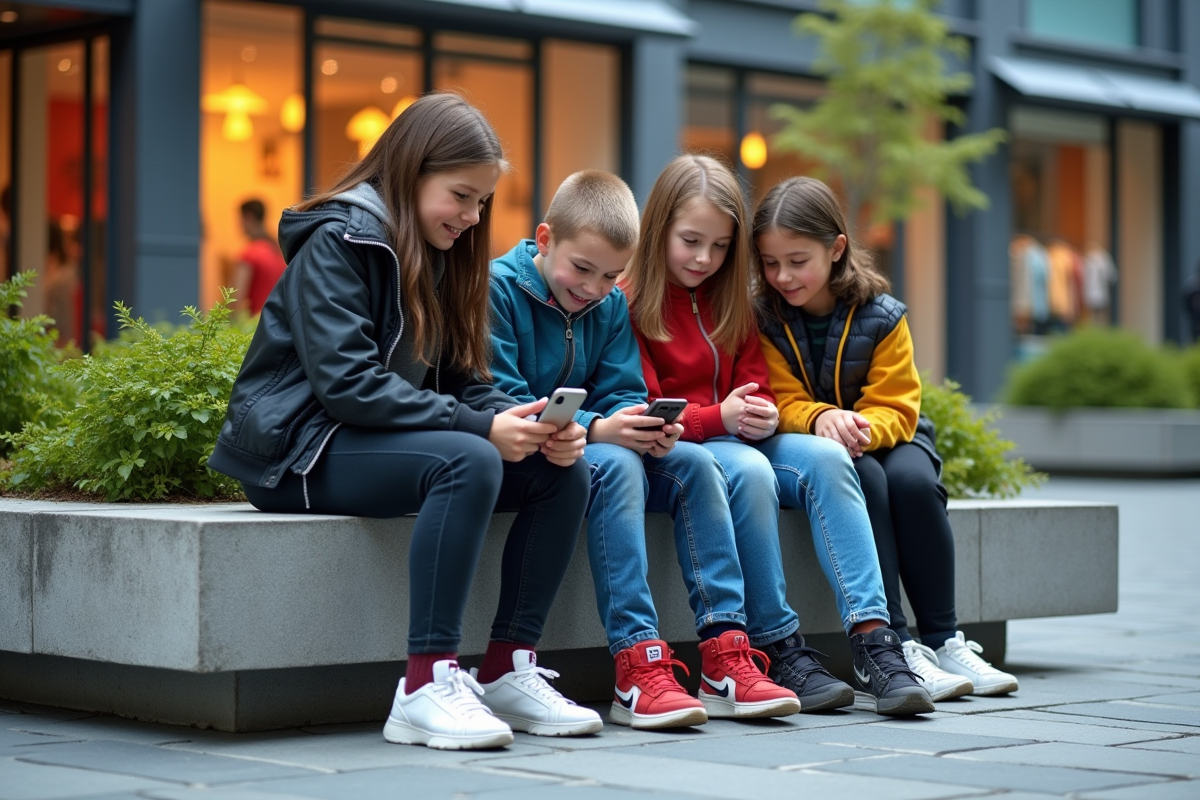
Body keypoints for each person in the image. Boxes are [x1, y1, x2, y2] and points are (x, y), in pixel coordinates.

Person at [208, 93, 600, 750]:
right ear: (413, 170)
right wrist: (480, 431)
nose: (474, 217)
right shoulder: (338, 242)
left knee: (556, 470)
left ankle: (506, 669)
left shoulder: (440, 253)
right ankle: (424, 684)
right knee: (469, 458)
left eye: (482, 202)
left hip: (368, 441)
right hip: (298, 452)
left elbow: (461, 381)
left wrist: (520, 419)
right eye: (462, 196)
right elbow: (348, 388)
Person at [488, 169, 800, 730]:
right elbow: (502, 395)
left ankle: (725, 652)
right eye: (582, 269)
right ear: (543, 239)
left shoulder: (608, 306)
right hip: (538, 452)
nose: (594, 287)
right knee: (617, 466)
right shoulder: (499, 290)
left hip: (599, 440)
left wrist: (643, 422)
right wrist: (600, 427)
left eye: (611, 276)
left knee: (696, 462)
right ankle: (637, 664)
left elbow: (626, 388)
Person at [622, 155, 932, 717]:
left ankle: (873, 641)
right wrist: (721, 418)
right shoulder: (629, 298)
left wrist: (760, 412)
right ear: (657, 229)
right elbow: (644, 407)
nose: (704, 258)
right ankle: (778, 645)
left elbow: (758, 384)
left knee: (828, 457)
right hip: (686, 447)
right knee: (749, 469)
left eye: (720, 247)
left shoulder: (732, 298)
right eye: (691, 241)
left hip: (740, 437)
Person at [752, 175, 1019, 699]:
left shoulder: (882, 313)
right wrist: (819, 419)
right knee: (867, 480)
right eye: (770, 262)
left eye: (797, 260)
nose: (782, 275)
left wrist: (858, 427)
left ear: (836, 249)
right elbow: (776, 397)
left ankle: (945, 639)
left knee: (915, 485)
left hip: (892, 434)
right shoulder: (764, 319)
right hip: (824, 441)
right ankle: (895, 644)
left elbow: (900, 403)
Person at [231, 198, 288, 316]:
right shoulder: (279, 252)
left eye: (241, 219)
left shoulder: (250, 254)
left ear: (249, 217)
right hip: (279, 321)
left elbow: (234, 299)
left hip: (256, 325)